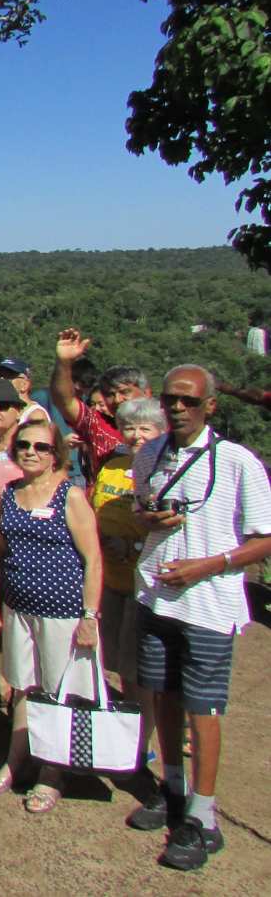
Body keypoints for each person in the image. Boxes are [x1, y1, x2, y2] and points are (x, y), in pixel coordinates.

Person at [128, 366, 271, 870]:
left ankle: (203, 817)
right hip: (157, 597)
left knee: (204, 709)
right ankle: (171, 786)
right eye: (170, 399)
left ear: (211, 405)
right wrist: (148, 518)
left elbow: (265, 538)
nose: (177, 408)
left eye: (188, 400)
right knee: (162, 695)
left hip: (209, 604)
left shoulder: (237, 463)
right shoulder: (149, 453)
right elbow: (139, 510)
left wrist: (207, 566)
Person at [0, 417, 101, 814]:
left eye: (41, 447)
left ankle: (53, 772)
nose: (31, 452)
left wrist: (90, 616)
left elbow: (93, 560)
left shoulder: (70, 496)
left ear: (55, 455)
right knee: (22, 687)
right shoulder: (8, 494)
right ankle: (17, 759)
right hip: (19, 608)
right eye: (24, 446)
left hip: (63, 612)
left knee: (57, 691)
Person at [90, 397, 166, 779]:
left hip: (146, 586)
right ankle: (121, 736)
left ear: (161, 431)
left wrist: (133, 547)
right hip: (110, 582)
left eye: (146, 429)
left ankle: (140, 747)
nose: (136, 436)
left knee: (140, 674)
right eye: (130, 428)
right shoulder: (114, 467)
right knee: (115, 667)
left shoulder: (166, 470)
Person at [50, 328, 152, 478]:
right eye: (110, 394)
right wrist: (63, 362)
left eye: (124, 392)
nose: (117, 400)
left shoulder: (165, 427)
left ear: (146, 393)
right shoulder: (97, 424)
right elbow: (64, 400)